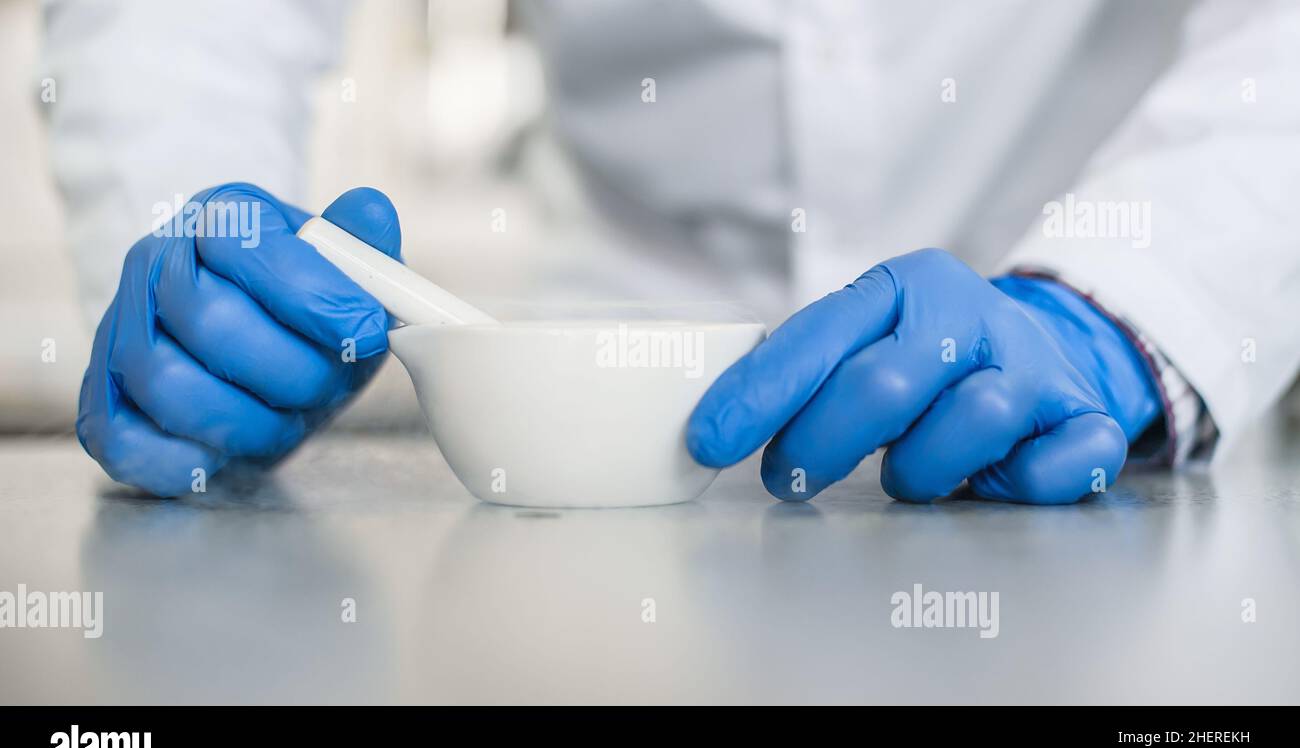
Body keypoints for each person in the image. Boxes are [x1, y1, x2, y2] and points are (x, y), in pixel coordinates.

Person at [47, 0, 1300, 503]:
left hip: (1060, 402)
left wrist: (1124, 306)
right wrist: (203, 248)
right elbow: (187, 22)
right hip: (607, 433)